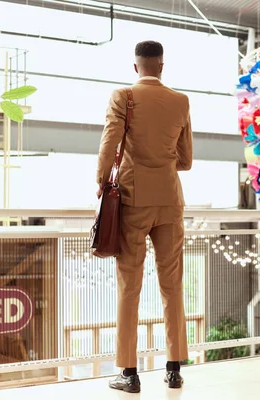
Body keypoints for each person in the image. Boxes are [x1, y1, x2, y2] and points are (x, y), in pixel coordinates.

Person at [96, 40, 193, 393]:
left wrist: (101, 180)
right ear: (161, 66)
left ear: (136, 67)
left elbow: (110, 140)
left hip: (134, 198)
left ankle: (129, 372)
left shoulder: (124, 96)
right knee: (172, 284)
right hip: (170, 199)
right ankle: (173, 368)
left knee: (129, 286)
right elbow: (186, 160)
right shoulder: (180, 101)